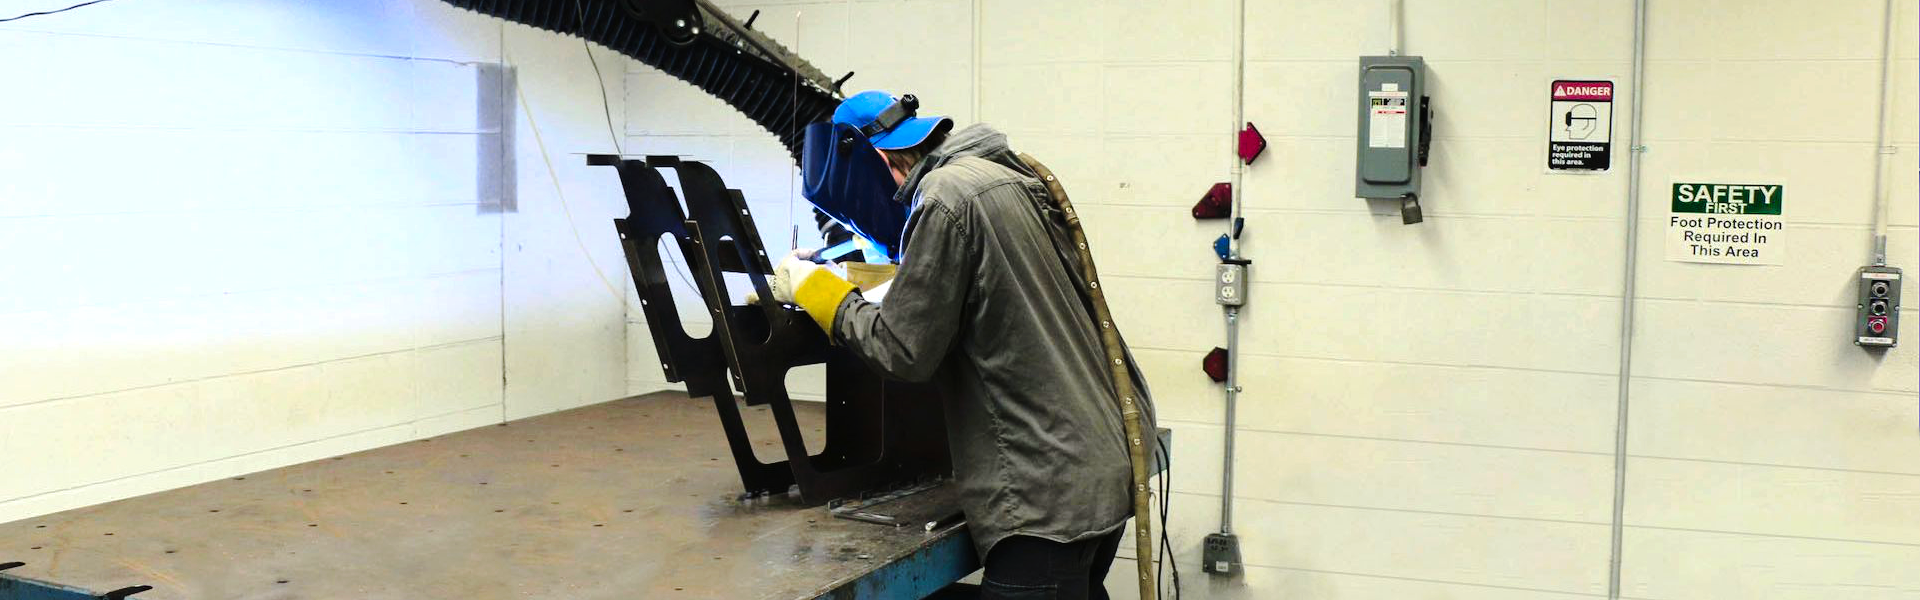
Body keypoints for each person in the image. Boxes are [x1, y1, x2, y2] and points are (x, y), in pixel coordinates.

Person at [771, 90, 1161, 600]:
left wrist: (818, 290)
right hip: (1098, 470)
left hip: (1044, 497)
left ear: (880, 159)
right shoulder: (1007, 179)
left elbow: (902, 350)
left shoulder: (945, 197)